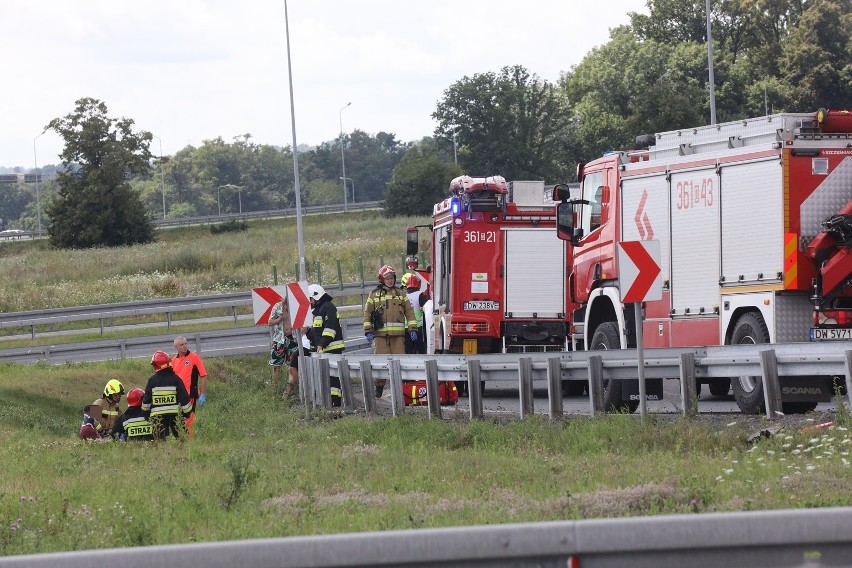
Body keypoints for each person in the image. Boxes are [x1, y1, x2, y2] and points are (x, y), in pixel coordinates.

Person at [363, 265, 417, 397]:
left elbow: (409, 312)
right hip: (380, 336)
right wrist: (368, 330)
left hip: (398, 336)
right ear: (382, 279)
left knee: (400, 363)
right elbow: (367, 313)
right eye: (387, 278)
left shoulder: (401, 293)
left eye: (391, 278)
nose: (390, 280)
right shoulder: (374, 294)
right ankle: (379, 389)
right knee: (380, 363)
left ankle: (402, 390)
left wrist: (412, 328)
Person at [142, 351, 193, 440]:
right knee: (182, 439)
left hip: (157, 417)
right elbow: (184, 399)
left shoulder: (152, 381)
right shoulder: (176, 379)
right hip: (175, 415)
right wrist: (187, 414)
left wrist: (146, 414)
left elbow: (146, 402)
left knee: (159, 441)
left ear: (156, 365)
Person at [308, 284, 343, 406]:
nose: (310, 302)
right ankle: (330, 403)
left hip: (333, 349)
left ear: (315, 297)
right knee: (327, 378)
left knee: (334, 379)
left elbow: (330, 328)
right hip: (325, 350)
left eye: (310, 299)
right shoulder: (318, 310)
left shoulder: (328, 307)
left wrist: (322, 344)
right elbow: (317, 331)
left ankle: (336, 404)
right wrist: (309, 334)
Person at [171, 336, 207, 437]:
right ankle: (181, 440)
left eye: (186, 344)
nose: (184, 346)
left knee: (188, 421)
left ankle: (190, 444)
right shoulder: (173, 361)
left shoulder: (194, 357)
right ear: (176, 347)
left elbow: (203, 376)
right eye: (181, 345)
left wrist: (203, 394)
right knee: (177, 420)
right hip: (177, 397)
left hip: (190, 395)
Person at [268, 299, 292, 396]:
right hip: (279, 339)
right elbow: (269, 322)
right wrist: (279, 319)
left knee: (293, 366)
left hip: (292, 339)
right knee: (275, 365)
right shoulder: (277, 306)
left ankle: (289, 390)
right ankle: (276, 389)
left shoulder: (295, 307)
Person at [404, 272, 428, 354]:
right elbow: (427, 306)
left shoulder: (404, 296)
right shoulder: (420, 295)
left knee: (408, 351)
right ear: (418, 285)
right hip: (418, 328)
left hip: (406, 328)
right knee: (421, 350)